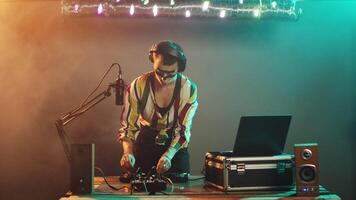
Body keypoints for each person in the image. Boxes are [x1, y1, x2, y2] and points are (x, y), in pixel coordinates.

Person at [117, 41, 198, 179]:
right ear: (153, 62)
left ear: (179, 68)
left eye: (171, 73)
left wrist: (168, 156)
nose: (163, 78)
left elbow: (183, 130)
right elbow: (128, 127)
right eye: (159, 72)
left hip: (175, 147)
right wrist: (128, 153)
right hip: (144, 144)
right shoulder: (137, 85)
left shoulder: (188, 89)